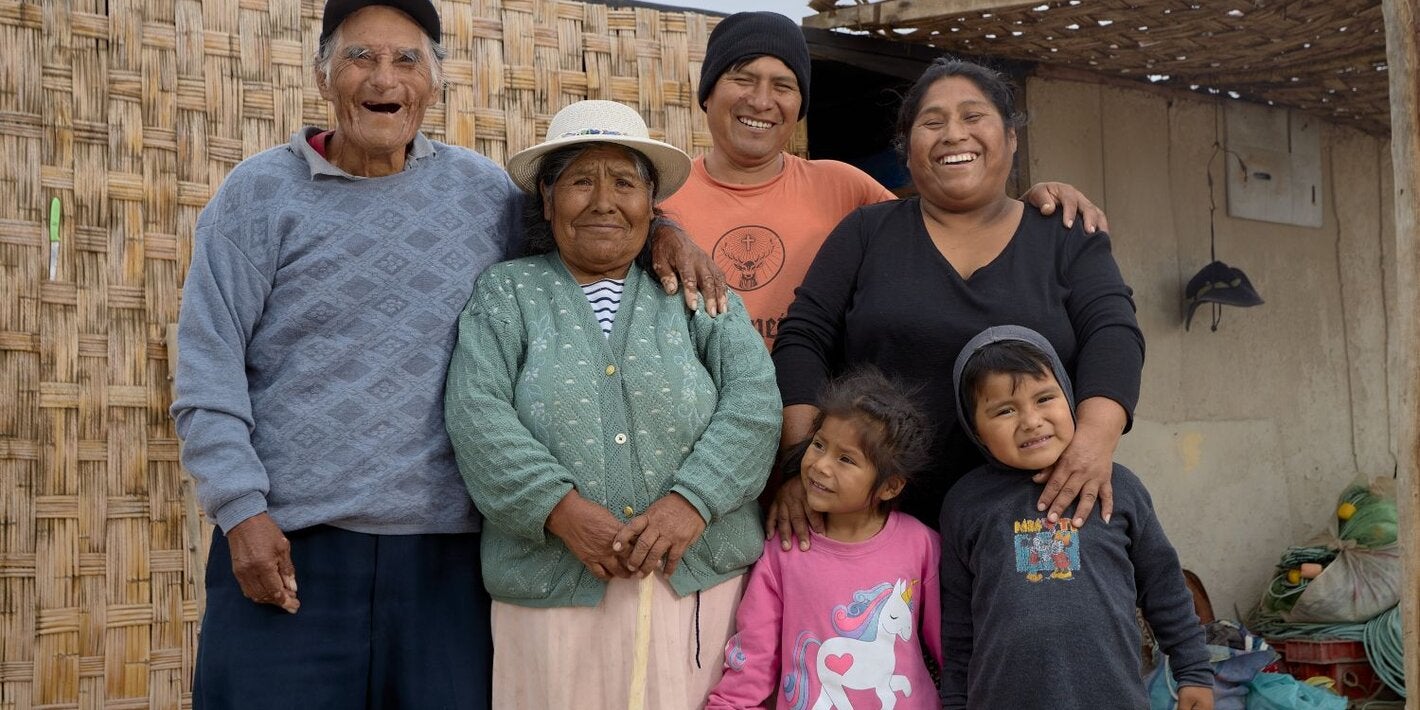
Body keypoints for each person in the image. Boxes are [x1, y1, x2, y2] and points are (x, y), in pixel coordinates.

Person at [169, 2, 721, 706]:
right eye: (360, 57)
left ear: (433, 85)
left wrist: (666, 233)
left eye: (406, 61)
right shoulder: (257, 196)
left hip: (447, 560)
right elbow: (207, 368)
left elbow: (589, 231)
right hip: (289, 547)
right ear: (322, 77)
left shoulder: (480, 192)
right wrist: (240, 512)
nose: (383, 77)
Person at [443, 99, 781, 709]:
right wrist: (561, 509)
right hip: (551, 590)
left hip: (696, 586)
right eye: (579, 181)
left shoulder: (694, 289)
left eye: (624, 182)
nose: (603, 201)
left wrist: (691, 503)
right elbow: (477, 416)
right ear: (547, 201)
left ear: (653, 204)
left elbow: (754, 403)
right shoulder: (507, 294)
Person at [771, 56, 1145, 536]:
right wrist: (802, 464)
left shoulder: (1065, 235)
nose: (953, 134)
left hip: (1035, 521)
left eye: (973, 116)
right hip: (875, 527)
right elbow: (803, 339)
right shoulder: (867, 232)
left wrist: (1095, 442)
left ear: (1011, 138)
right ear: (907, 149)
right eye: (932, 122)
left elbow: (1113, 333)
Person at [661, 11, 1109, 350]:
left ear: (800, 104)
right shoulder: (660, 196)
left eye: (783, 86)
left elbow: (945, 214)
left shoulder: (844, 187)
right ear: (707, 93)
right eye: (743, 79)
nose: (762, 101)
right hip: (702, 436)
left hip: (825, 440)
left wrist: (1026, 204)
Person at [940, 325, 1213, 709]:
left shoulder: (1118, 486)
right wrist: (955, 702)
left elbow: (1164, 586)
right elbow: (957, 626)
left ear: (1069, 399)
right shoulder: (965, 504)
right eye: (1004, 410)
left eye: (1044, 398)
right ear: (976, 430)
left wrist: (1194, 672)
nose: (1031, 421)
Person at [706, 368, 941, 710]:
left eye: (846, 459)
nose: (820, 465)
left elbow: (951, 648)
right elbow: (754, 655)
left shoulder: (920, 545)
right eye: (818, 445)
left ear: (890, 486)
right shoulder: (783, 550)